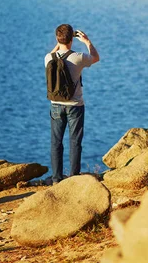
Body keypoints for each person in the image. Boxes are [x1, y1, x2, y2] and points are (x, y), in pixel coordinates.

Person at [44, 24, 99, 184]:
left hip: (55, 104)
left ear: (57, 38)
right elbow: (96, 57)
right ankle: (73, 178)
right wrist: (87, 42)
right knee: (75, 142)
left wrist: (58, 43)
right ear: (72, 40)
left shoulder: (48, 58)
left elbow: (54, 53)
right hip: (75, 105)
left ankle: (56, 179)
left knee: (56, 142)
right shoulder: (79, 57)